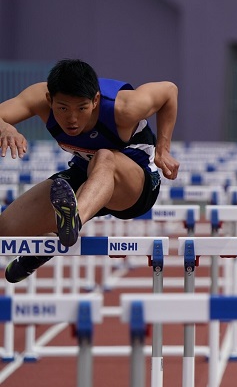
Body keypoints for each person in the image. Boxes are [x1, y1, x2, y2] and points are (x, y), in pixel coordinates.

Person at [0, 58, 179, 283]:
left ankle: (71, 222)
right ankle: (48, 243)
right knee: (5, 228)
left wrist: (163, 149)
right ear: (49, 99)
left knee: (105, 157)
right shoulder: (39, 98)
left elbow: (169, 91)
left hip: (135, 184)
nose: (72, 119)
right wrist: (5, 126)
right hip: (87, 178)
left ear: (95, 101)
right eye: (63, 108)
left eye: (81, 108)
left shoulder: (124, 107)